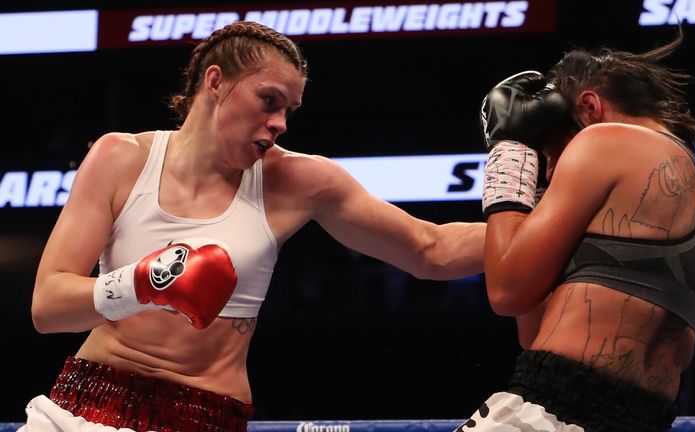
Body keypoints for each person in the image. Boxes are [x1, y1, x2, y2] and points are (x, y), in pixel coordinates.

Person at [22, 21, 485, 432]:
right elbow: (48, 307)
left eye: (289, 110)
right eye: (269, 100)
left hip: (202, 415)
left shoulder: (297, 181)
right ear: (216, 82)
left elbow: (432, 249)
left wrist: (549, 224)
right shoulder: (119, 158)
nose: (280, 123)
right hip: (86, 402)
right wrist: (143, 283)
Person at [459, 32, 695, 432]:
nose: (549, 171)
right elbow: (534, 335)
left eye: (550, 153)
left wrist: (511, 149)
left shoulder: (604, 141)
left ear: (588, 106)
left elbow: (507, 291)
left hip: (552, 408)